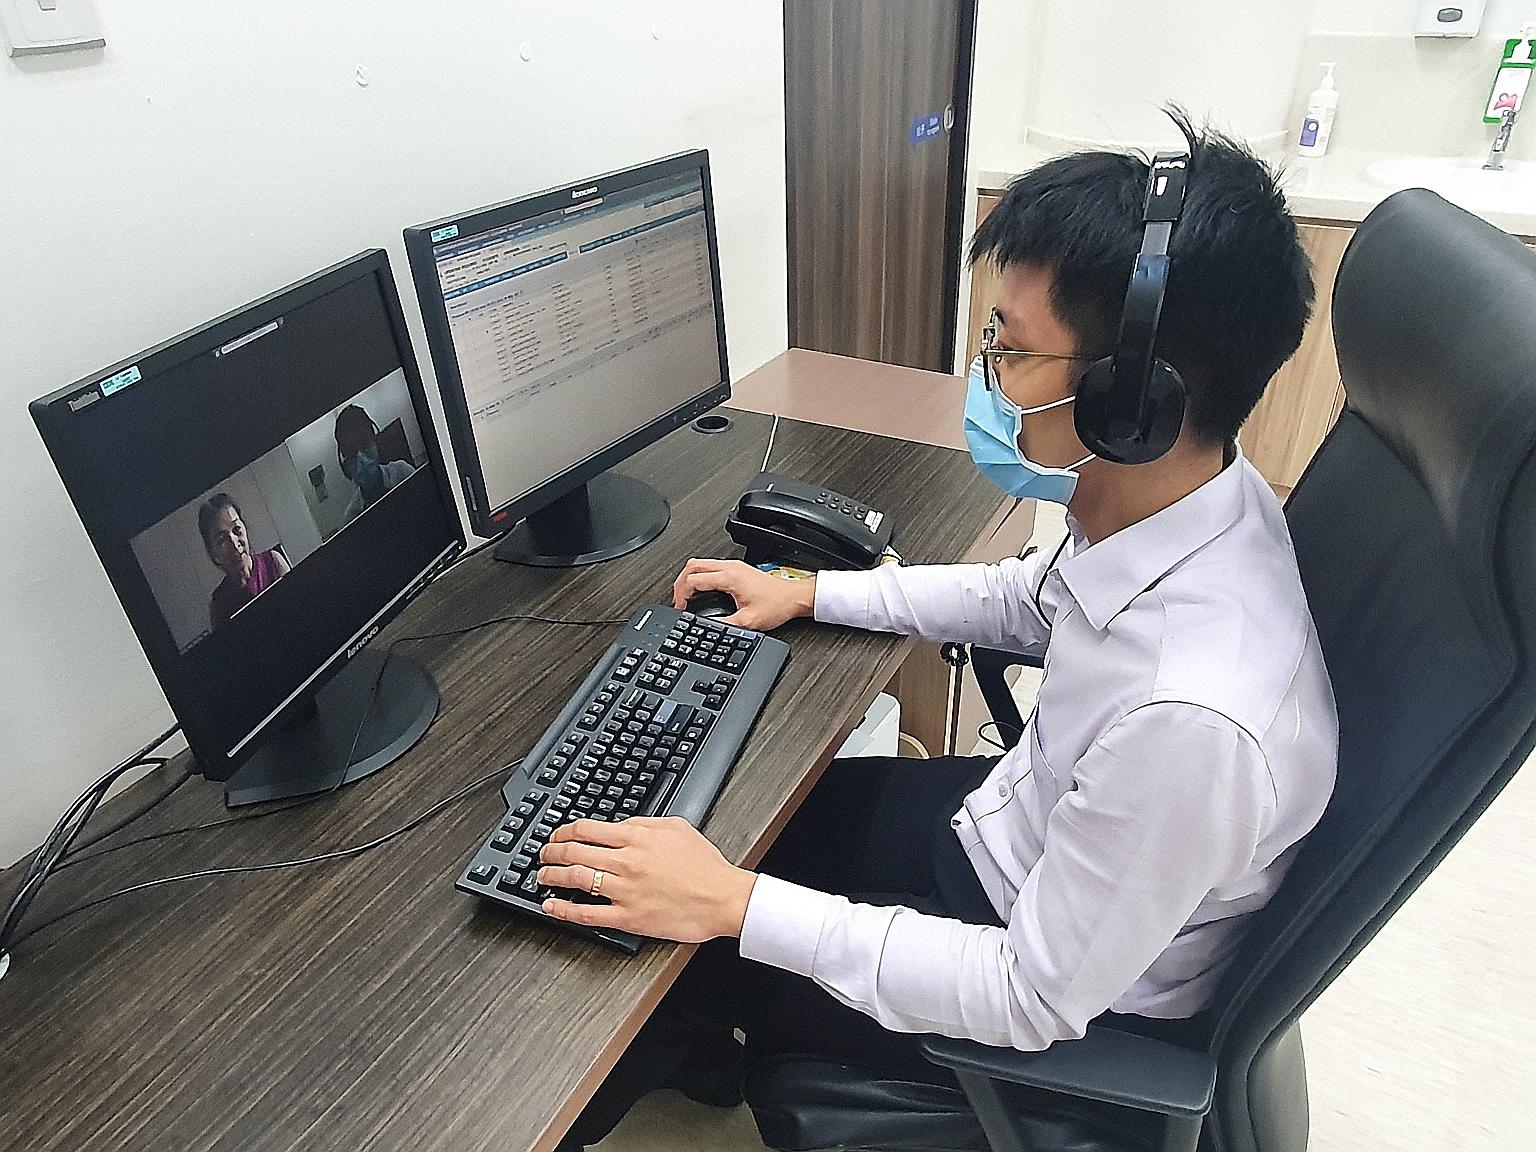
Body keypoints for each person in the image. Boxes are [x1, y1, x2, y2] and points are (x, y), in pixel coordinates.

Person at [544, 113, 1340, 1149]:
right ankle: (706, 1032)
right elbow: (1026, 599)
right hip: (1011, 835)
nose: (987, 369)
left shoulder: (1193, 720)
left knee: (647, 956)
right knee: (742, 819)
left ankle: (637, 1071)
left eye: (1010, 345)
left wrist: (736, 907)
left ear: (1131, 401)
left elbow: (1028, 997)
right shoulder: (1191, 504)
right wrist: (815, 591)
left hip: (1035, 992)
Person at [200, 493, 290, 630]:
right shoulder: (219, 606)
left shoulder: (273, 561)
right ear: (213, 551)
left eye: (237, 530)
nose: (234, 543)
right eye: (222, 539)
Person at [334, 403, 414, 520]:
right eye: (351, 451)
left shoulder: (402, 472)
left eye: (364, 443)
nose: (360, 456)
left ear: (375, 441)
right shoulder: (353, 517)